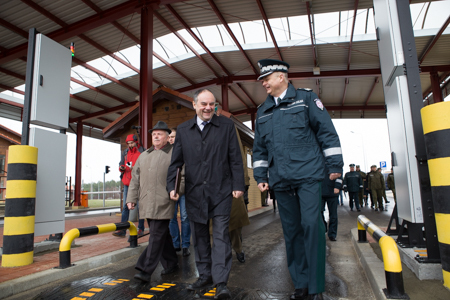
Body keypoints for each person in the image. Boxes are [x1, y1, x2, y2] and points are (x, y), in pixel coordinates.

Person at [252, 59, 343, 300]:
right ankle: (301, 284)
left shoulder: (306, 99)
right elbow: (259, 149)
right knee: (291, 232)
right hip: (281, 181)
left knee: (312, 226)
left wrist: (335, 165)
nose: (263, 83)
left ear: (281, 76)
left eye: (267, 78)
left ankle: (315, 286)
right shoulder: (262, 112)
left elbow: (327, 131)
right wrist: (261, 175)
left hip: (308, 176)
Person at [167, 88, 245, 299]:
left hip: (221, 192)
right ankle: (205, 276)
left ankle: (221, 282)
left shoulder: (226, 126)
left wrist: (238, 184)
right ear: (194, 105)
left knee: (220, 237)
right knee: (199, 237)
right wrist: (172, 187)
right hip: (194, 193)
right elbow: (176, 164)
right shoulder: (183, 130)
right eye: (204, 104)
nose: (208, 108)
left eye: (212, 104)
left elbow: (236, 159)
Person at [127, 121, 179, 282]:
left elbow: (181, 175)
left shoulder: (174, 154)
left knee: (156, 235)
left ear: (167, 137)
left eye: (160, 133)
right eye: (154, 134)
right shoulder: (144, 156)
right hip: (146, 200)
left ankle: (145, 269)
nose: (156, 136)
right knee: (162, 235)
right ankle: (171, 263)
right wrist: (131, 198)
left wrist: (177, 190)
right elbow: (135, 179)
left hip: (164, 200)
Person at [113, 134, 145, 238]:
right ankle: (122, 230)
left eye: (132, 143)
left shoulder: (142, 152)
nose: (130, 145)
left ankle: (141, 228)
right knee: (125, 207)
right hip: (127, 182)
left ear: (136, 142)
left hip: (139, 182)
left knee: (141, 206)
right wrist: (121, 168)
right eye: (128, 143)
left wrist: (134, 169)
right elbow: (121, 163)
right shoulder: (125, 152)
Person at [168, 128, 191, 257]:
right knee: (171, 218)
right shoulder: (166, 152)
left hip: (183, 189)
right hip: (171, 189)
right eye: (169, 137)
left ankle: (186, 244)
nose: (171, 139)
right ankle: (176, 243)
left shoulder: (184, 150)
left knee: (184, 217)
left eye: (173, 136)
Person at [322, 169, 343, 241]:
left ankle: (332, 234)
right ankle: (323, 228)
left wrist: (337, 186)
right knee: (319, 213)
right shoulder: (318, 160)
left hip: (332, 192)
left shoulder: (333, 161)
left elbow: (339, 175)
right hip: (320, 192)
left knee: (333, 215)